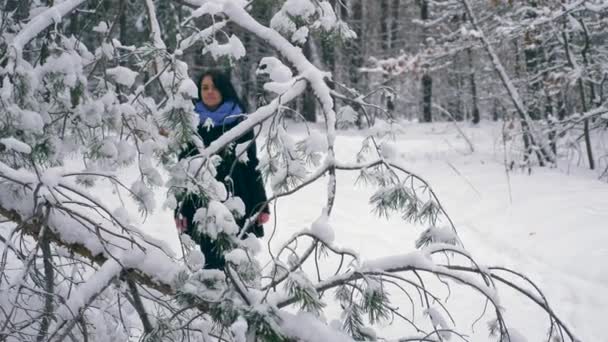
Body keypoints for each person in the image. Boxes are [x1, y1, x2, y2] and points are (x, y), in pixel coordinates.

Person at [174, 70, 270, 270]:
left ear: (224, 90)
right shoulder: (190, 122)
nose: (209, 92)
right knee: (210, 257)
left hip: (239, 197)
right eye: (205, 88)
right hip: (202, 201)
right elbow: (182, 169)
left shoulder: (240, 119)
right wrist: (179, 208)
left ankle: (241, 297)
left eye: (215, 87)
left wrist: (261, 203)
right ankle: (212, 297)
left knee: (238, 257)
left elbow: (251, 162)